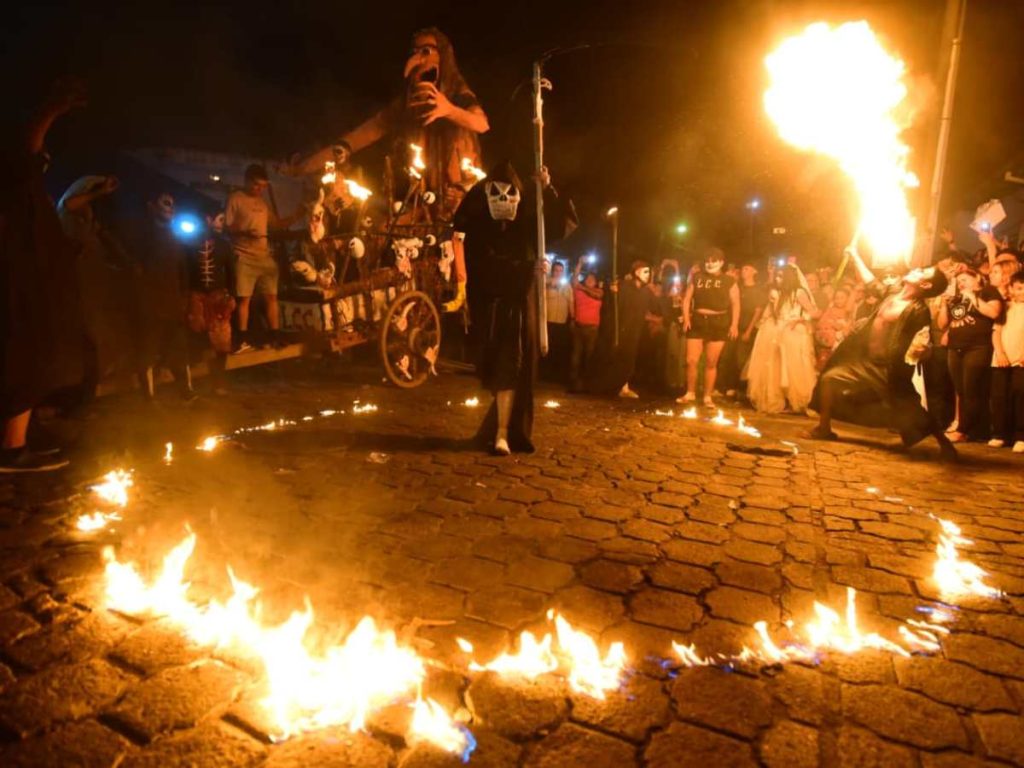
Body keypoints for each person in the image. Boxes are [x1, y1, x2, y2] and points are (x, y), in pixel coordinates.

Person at [293, 28, 488, 221]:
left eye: (426, 51)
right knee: (388, 227)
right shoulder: (406, 103)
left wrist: (449, 110)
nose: (418, 59)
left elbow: (481, 124)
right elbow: (372, 129)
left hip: (458, 195)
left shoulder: (456, 93)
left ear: (443, 56)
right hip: (423, 197)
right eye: (414, 52)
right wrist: (309, 165)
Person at [455, 161, 575, 455]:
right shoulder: (481, 228)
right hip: (496, 308)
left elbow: (559, 226)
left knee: (518, 371)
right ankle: (500, 432)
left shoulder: (527, 225)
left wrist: (547, 189)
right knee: (504, 368)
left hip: (523, 307)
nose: (504, 199)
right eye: (496, 193)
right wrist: (525, 268)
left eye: (510, 193)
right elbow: (482, 265)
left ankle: (506, 432)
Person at [0, 77, 87, 472]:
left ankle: (18, 438)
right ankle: (12, 449)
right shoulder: (16, 189)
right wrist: (52, 109)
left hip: (29, 282)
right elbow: (27, 151)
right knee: (25, 354)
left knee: (32, 354)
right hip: (18, 285)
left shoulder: (27, 194)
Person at [809, 246, 954, 460]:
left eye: (922, 272)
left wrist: (925, 350)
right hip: (863, 361)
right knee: (829, 379)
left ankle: (945, 444)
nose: (916, 269)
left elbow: (924, 338)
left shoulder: (918, 311)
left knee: (909, 407)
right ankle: (824, 428)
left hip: (889, 368)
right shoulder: (893, 292)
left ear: (925, 285)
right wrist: (855, 256)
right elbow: (871, 282)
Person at [57, 174, 127, 405]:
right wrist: (99, 191)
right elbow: (68, 204)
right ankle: (72, 402)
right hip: (74, 295)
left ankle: (84, 401)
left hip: (93, 295)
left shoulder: (91, 227)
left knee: (95, 345)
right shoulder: (67, 219)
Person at [124, 191, 194, 401]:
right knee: (148, 351)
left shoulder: (175, 237)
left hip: (172, 302)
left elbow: (182, 269)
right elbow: (134, 267)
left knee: (179, 349)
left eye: (172, 204)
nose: (170, 208)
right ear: (151, 206)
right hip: (151, 303)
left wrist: (185, 295)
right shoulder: (142, 235)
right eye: (165, 203)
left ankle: (187, 392)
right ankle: (149, 399)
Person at [226, 163, 302, 352]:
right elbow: (227, 226)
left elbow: (277, 224)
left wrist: (297, 216)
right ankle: (242, 339)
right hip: (244, 256)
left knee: (271, 296)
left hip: (263, 256)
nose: (259, 189)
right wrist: (244, 232)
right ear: (246, 181)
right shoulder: (236, 198)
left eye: (263, 186)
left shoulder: (262, 203)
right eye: (256, 185)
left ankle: (275, 335)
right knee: (244, 299)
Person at [937, 267, 1003, 443]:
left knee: (972, 389)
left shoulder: (988, 291)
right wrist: (944, 304)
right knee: (961, 390)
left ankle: (964, 430)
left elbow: (994, 313)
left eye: (964, 280)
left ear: (977, 278)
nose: (961, 284)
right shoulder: (956, 298)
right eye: (958, 282)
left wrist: (973, 297)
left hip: (977, 347)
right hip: (955, 347)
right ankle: (972, 430)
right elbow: (942, 324)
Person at [746, 265, 819, 414]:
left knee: (793, 367)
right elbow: (771, 312)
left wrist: (799, 320)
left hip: (792, 333)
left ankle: (798, 402)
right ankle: (777, 400)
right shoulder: (777, 292)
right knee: (775, 367)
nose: (778, 279)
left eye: (781, 276)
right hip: (776, 331)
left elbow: (814, 312)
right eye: (777, 276)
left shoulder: (798, 292)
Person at [677, 248, 739, 406]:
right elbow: (687, 298)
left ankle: (707, 396)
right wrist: (686, 318)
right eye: (707, 261)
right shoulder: (697, 277)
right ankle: (690, 393)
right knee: (691, 360)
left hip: (719, 321)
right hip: (698, 320)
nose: (710, 264)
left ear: (721, 263)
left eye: (714, 261)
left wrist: (734, 324)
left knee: (711, 362)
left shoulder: (729, 280)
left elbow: (736, 303)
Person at [591, 260, 660, 399]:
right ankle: (608, 387)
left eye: (649, 272)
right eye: (645, 272)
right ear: (636, 272)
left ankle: (623, 386)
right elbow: (611, 306)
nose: (648, 275)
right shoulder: (623, 286)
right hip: (619, 329)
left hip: (634, 331)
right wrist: (612, 293)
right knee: (614, 359)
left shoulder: (646, 292)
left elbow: (655, 308)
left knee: (628, 361)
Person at [186, 204, 236, 394]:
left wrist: (231, 295)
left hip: (218, 297)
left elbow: (231, 272)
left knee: (222, 341)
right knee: (197, 335)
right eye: (218, 219)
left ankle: (218, 381)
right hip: (197, 295)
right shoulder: (190, 244)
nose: (221, 223)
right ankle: (196, 382)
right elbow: (185, 270)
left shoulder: (223, 244)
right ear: (207, 219)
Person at [718, 261, 765, 399]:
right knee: (727, 356)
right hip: (733, 326)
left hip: (746, 327)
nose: (743, 271)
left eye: (747, 269)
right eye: (743, 269)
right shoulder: (738, 287)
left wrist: (749, 331)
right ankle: (726, 387)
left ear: (754, 272)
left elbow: (758, 312)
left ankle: (741, 389)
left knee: (741, 359)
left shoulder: (758, 290)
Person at [990, 272, 1024, 451]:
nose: (1022, 292)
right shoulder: (1006, 308)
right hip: (1001, 359)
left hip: (1021, 361)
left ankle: (1020, 436)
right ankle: (1000, 434)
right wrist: (1000, 353)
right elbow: (996, 332)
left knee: (1020, 397)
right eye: (1019, 288)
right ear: (1011, 289)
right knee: (999, 397)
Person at [569, 259, 602, 392]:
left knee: (589, 357)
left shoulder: (599, 291)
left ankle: (588, 384)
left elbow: (596, 296)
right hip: (579, 328)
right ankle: (573, 384)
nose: (589, 280)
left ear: (595, 282)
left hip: (592, 330)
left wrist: (582, 287)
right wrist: (580, 264)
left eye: (592, 279)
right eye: (587, 278)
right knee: (575, 358)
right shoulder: (578, 291)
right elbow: (574, 280)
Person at [543, 260, 573, 383]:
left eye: (561, 271)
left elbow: (571, 302)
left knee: (558, 349)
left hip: (561, 322)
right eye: (556, 270)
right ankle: (544, 373)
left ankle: (555, 375)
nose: (558, 273)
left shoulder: (567, 286)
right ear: (552, 271)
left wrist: (572, 318)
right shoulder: (545, 283)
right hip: (548, 321)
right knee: (546, 349)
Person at [814, 285, 854, 369]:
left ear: (847, 298)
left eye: (842, 298)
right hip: (830, 341)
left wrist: (843, 327)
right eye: (837, 298)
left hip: (844, 342)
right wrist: (832, 324)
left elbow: (849, 326)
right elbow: (820, 323)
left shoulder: (849, 311)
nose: (839, 300)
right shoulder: (830, 310)